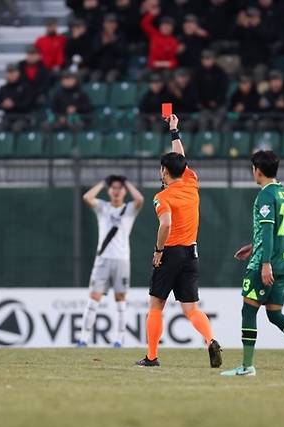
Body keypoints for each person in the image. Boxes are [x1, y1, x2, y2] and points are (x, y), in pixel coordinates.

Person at [222, 150, 284, 377]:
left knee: (248, 311)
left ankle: (247, 367)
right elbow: (277, 230)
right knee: (275, 314)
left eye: (252, 169)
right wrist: (253, 245)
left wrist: (264, 262)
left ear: (257, 170)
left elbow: (269, 230)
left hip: (265, 264)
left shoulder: (266, 196)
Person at [136, 114, 222, 368]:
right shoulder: (191, 182)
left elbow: (166, 224)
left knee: (156, 305)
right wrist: (174, 131)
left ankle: (151, 356)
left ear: (164, 171)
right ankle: (210, 340)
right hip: (191, 253)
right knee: (192, 309)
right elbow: (181, 160)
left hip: (170, 253)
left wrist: (158, 250)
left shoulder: (163, 197)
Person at [78, 175, 144, 348]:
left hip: (122, 259)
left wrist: (127, 182)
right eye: (113, 188)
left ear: (124, 191)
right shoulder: (103, 207)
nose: (116, 191)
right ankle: (83, 338)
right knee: (94, 297)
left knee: (120, 298)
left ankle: (119, 339)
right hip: (103, 259)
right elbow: (87, 197)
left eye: (119, 188)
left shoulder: (129, 209)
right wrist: (102, 182)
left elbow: (140, 199)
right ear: (109, 190)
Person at [195, 50, 228, 131]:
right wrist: (202, 102)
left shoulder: (220, 72)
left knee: (217, 122)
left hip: (219, 105)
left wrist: (216, 101)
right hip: (204, 106)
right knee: (202, 122)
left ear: (213, 59)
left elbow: (223, 89)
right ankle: (203, 143)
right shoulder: (198, 73)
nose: (207, 61)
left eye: (209, 58)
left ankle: (216, 142)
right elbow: (195, 90)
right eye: (205, 59)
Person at [140, 4, 180, 71]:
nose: (166, 28)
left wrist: (160, 64)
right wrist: (152, 15)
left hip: (166, 69)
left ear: (172, 29)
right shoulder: (154, 34)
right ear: (160, 26)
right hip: (152, 67)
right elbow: (144, 24)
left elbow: (173, 61)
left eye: (168, 26)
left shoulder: (173, 41)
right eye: (164, 25)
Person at [0, 64, 34, 132]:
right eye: (9, 72)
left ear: (18, 73)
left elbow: (27, 104)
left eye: (13, 72)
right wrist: (4, 105)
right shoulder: (3, 88)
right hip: (8, 117)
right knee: (0, 127)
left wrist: (13, 105)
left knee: (17, 128)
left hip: (22, 117)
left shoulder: (25, 87)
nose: (11, 75)